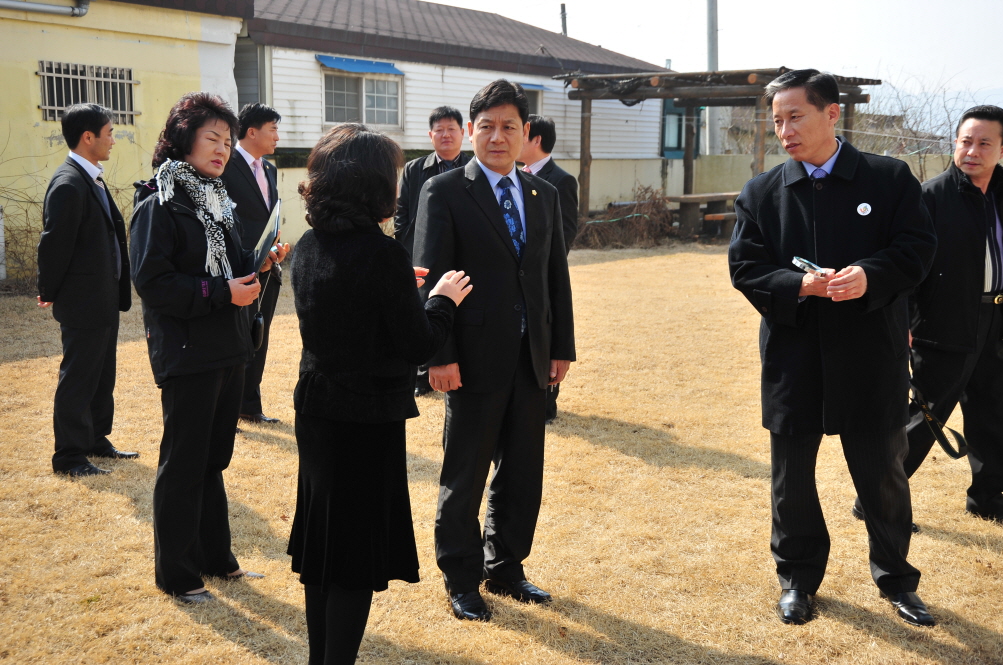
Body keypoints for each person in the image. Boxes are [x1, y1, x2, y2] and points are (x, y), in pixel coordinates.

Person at [728, 69, 938, 627]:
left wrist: (869, 276)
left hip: (871, 354)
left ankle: (896, 579)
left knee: (883, 477)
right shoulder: (762, 191)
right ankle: (797, 579)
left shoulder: (889, 179)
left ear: (831, 114)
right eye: (777, 121)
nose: (785, 130)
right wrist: (800, 284)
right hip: (794, 358)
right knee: (790, 480)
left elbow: (918, 248)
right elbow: (745, 268)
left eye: (795, 116)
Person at [288, 123, 471, 664]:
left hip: (318, 409)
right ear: (373, 186)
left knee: (323, 549)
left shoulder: (310, 244)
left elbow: (348, 312)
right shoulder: (382, 253)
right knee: (351, 560)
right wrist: (439, 300)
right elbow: (416, 343)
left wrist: (401, 291)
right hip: (363, 420)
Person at [414, 80, 576, 621]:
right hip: (472, 359)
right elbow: (431, 279)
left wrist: (561, 348)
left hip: (533, 359)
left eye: (509, 127)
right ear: (470, 130)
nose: (498, 137)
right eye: (486, 126)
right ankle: (461, 579)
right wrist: (439, 354)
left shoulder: (543, 194)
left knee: (522, 473)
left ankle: (505, 565)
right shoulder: (444, 191)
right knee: (465, 473)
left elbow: (555, 277)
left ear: (525, 133)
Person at [130, 92, 287, 603]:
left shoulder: (218, 199)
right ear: (183, 140)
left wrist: (259, 263)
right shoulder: (160, 201)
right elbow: (153, 282)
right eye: (211, 138)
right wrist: (222, 292)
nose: (222, 149)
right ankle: (176, 574)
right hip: (188, 350)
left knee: (212, 461)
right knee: (184, 463)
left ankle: (217, 560)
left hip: (228, 346)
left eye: (227, 139)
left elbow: (234, 260)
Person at [882, 104, 1003, 522]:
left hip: (997, 321)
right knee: (923, 419)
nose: (972, 150)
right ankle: (878, 501)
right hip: (942, 322)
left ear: (1001, 147)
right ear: (955, 143)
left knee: (993, 414)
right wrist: (908, 322)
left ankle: (988, 500)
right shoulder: (930, 197)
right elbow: (906, 263)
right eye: (965, 141)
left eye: (984, 143)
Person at [37, 102, 138, 477]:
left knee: (101, 375)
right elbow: (54, 243)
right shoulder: (68, 182)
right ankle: (69, 456)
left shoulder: (90, 175)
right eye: (110, 133)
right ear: (88, 137)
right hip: (83, 301)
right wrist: (49, 288)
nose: (114, 140)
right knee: (79, 377)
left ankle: (96, 439)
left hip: (103, 297)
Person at [394, 105, 471, 397]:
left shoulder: (473, 168)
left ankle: (455, 364)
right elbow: (402, 212)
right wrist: (408, 244)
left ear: (463, 134)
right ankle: (421, 377)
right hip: (421, 256)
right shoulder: (415, 169)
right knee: (419, 310)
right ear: (430, 135)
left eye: (452, 129)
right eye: (439, 129)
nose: (446, 134)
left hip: (461, 254)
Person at [220, 102, 286, 424]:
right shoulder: (226, 165)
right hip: (237, 268)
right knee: (236, 339)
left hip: (268, 267)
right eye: (272, 128)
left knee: (260, 334)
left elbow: (266, 217)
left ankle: (250, 405)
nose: (277, 136)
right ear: (251, 131)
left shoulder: (269, 170)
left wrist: (274, 249)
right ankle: (228, 409)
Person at [518, 114, 579, 423]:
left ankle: (547, 400)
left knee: (546, 334)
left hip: (542, 275)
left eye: (520, 133)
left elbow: (565, 233)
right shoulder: (513, 178)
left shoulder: (561, 180)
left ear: (535, 139)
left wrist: (541, 264)